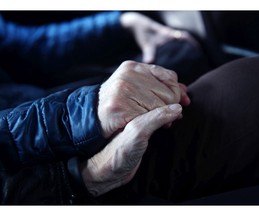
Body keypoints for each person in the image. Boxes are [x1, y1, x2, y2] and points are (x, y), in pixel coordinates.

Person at [0, 11, 201, 204]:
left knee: (180, 53)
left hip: (44, 103)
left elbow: (28, 45)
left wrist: (123, 24)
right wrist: (86, 174)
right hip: (49, 176)